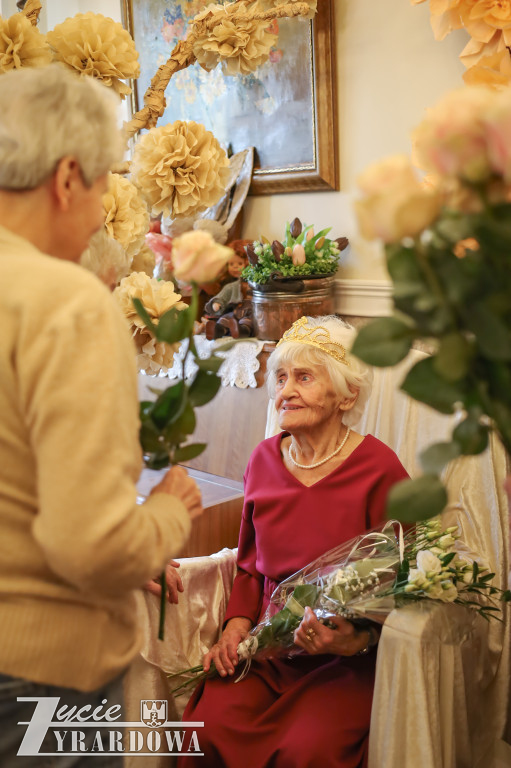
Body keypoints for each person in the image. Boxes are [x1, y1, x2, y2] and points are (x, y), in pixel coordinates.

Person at [0, 65, 202, 764]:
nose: (100, 215)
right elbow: (90, 547)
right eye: (105, 183)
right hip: (37, 677)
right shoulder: (64, 301)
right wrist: (167, 513)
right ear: (66, 179)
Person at [179, 315, 409, 768]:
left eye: (304, 377)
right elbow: (248, 567)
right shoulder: (263, 459)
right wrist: (235, 628)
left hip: (340, 660)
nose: (285, 390)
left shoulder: (380, 468)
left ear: (346, 395)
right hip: (267, 650)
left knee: (308, 750)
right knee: (205, 729)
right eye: (281, 377)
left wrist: (354, 640)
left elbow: (400, 582)